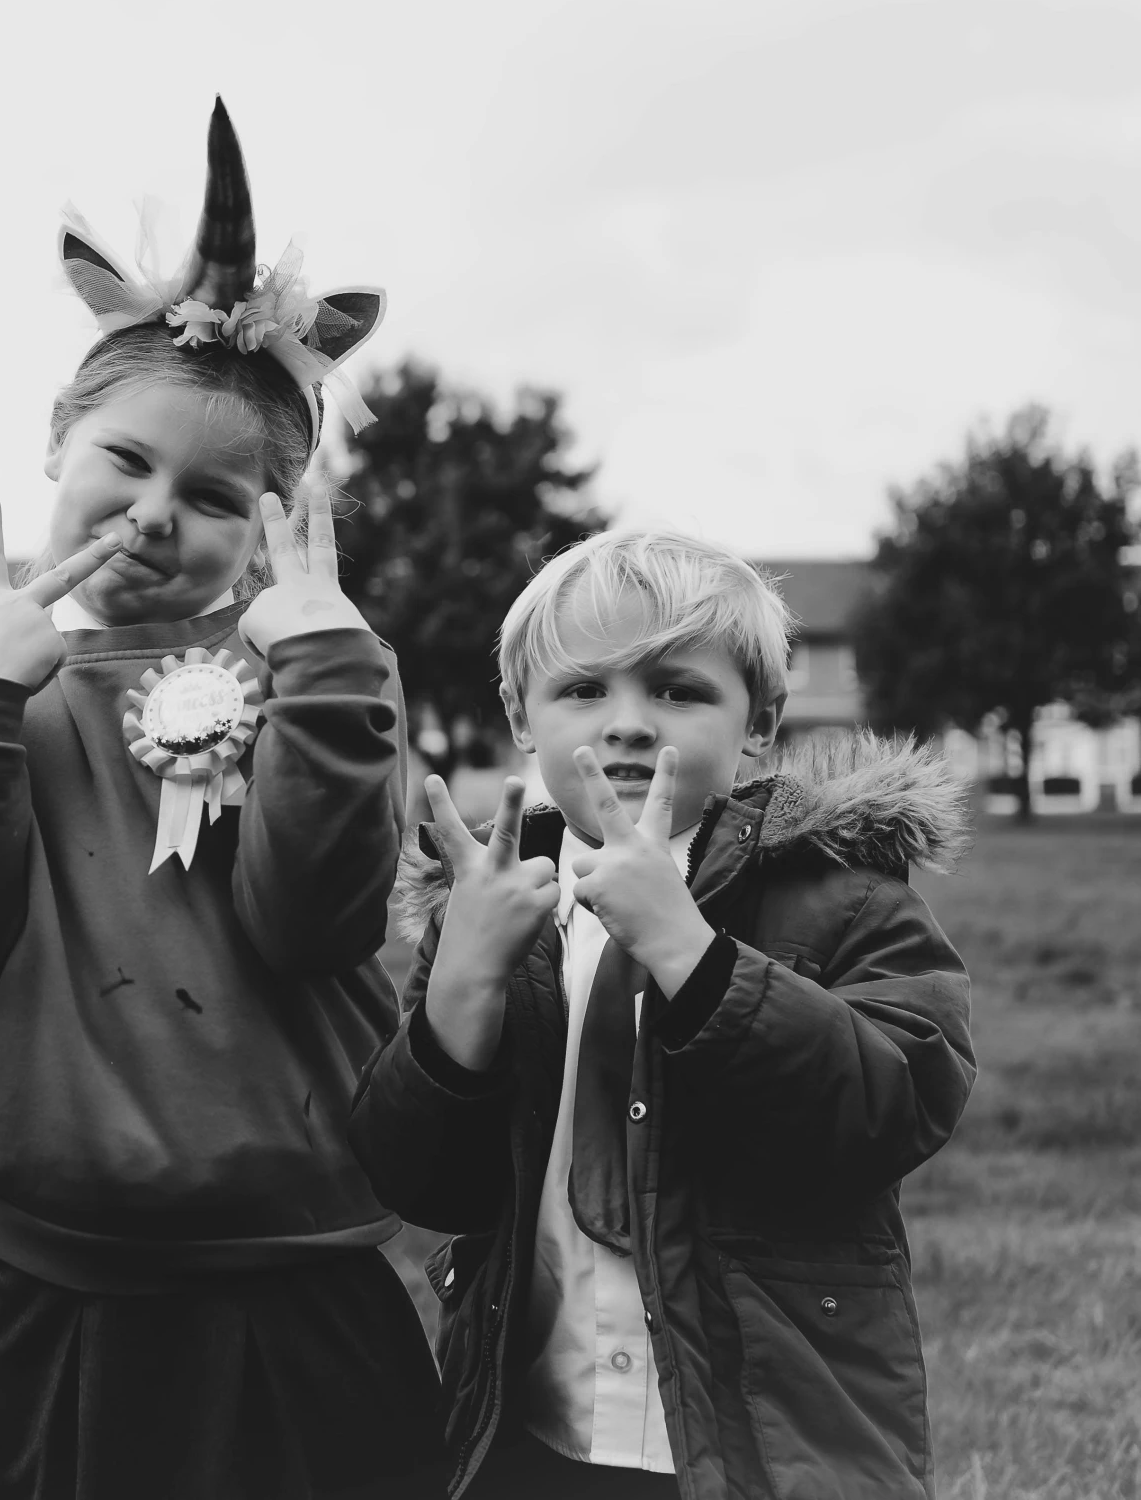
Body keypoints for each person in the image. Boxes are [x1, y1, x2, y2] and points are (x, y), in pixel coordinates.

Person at [0, 100, 443, 1499]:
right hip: (27, 1287)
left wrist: (323, 670)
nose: (152, 511)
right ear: (58, 444)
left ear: (269, 529)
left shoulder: (317, 673)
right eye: (123, 460)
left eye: (214, 493)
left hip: (289, 1301)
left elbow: (313, 922)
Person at [350, 528, 975, 1498]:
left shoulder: (841, 892)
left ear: (759, 722)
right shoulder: (493, 900)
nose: (630, 723)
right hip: (534, 1427)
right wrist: (460, 989)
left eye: (679, 690)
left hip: (759, 1437)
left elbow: (893, 1104)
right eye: (582, 689)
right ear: (520, 714)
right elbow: (419, 1180)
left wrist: (690, 952)